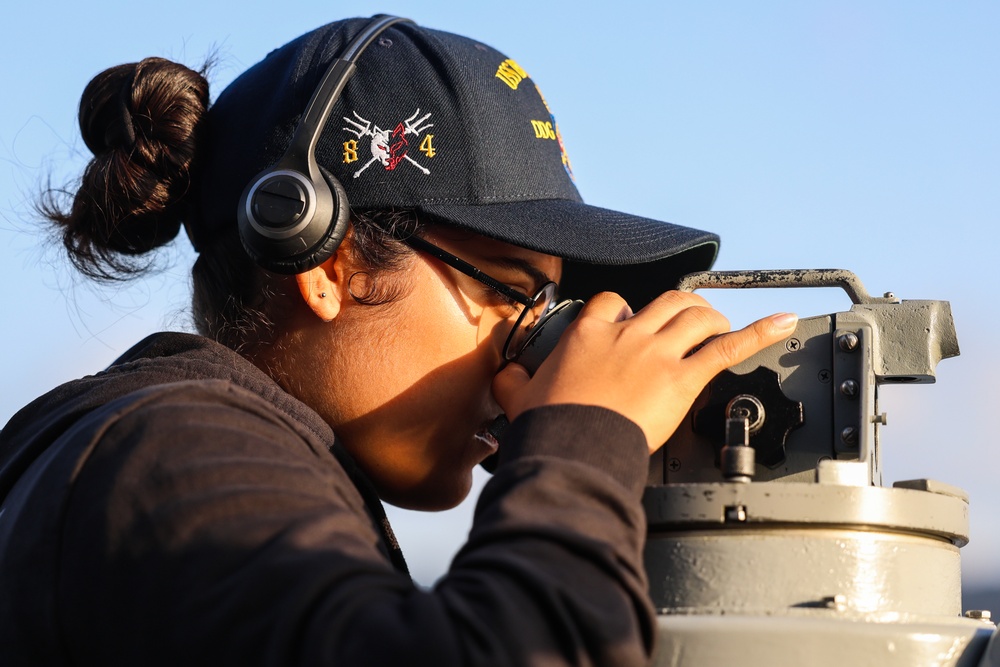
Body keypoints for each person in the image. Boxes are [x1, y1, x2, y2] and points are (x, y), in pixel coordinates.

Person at [0, 14, 796, 666]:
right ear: (331, 265)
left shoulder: (184, 454)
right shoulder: (175, 451)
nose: (531, 347)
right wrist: (586, 441)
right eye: (512, 293)